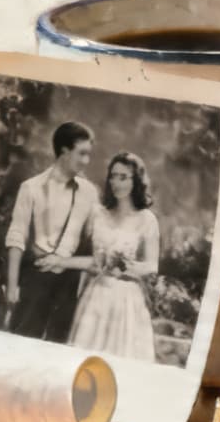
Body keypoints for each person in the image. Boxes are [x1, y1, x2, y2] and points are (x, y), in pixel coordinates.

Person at [3, 122, 99, 342]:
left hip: (69, 283)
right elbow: (16, 237)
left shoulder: (89, 192)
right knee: (23, 341)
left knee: (58, 344)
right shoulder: (31, 188)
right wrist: (12, 286)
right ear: (64, 152)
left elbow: (95, 240)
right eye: (81, 154)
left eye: (89, 155)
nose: (86, 161)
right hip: (36, 278)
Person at [67, 152, 160, 362]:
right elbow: (91, 259)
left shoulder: (146, 219)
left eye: (123, 177)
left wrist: (127, 266)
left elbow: (152, 266)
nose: (116, 183)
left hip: (127, 299)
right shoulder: (98, 214)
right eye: (113, 176)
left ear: (136, 181)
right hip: (97, 295)